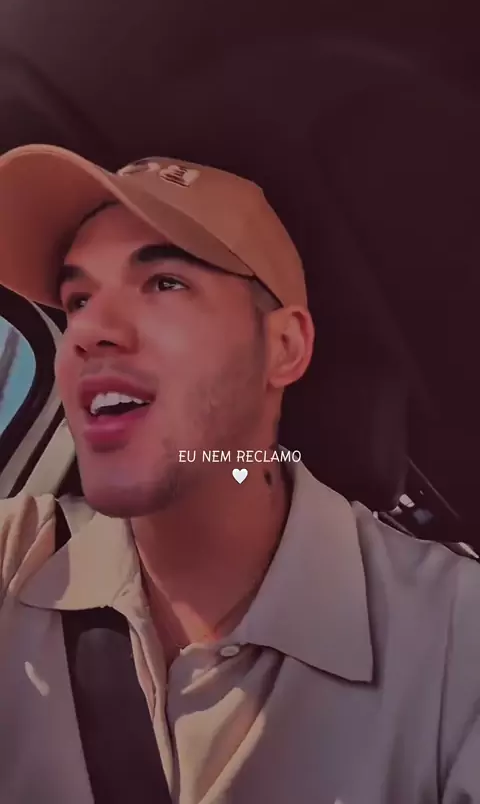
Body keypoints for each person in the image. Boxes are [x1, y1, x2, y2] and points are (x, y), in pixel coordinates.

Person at [0, 144, 479, 804]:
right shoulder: (15, 557)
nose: (87, 331)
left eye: (165, 283)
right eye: (77, 299)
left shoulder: (457, 639)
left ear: (284, 347)